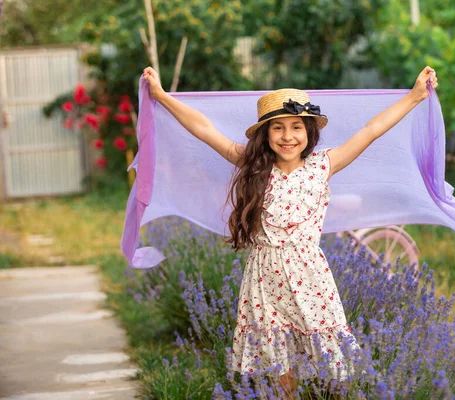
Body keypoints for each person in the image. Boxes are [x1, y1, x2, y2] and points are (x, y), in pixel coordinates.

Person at [142, 66, 438, 397]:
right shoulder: (253, 167)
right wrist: (161, 96)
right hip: (264, 280)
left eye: (296, 127)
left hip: (309, 277)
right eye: (278, 128)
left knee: (331, 364)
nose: (287, 136)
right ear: (265, 135)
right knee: (278, 364)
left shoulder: (323, 165)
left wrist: (414, 97)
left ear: (309, 132)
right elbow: (205, 129)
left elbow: (371, 130)